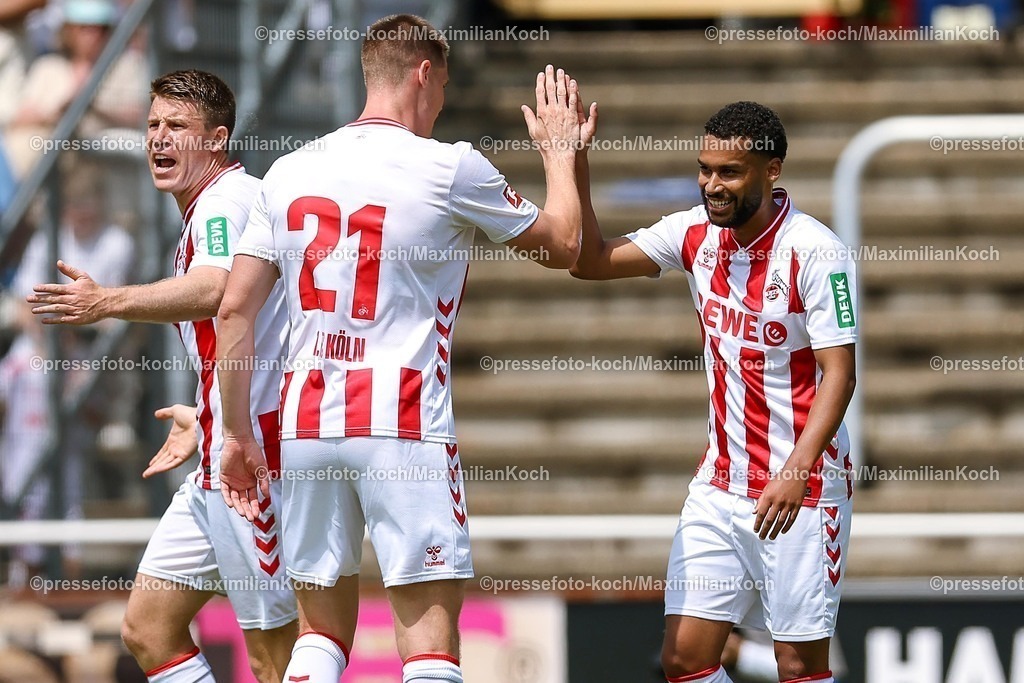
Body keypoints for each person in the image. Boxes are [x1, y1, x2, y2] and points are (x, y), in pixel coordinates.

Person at [216, 13, 582, 683]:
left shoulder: (289, 171)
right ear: (423, 73)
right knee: (430, 646)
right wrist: (560, 150)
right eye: (441, 84)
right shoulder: (449, 166)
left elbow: (234, 307)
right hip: (403, 422)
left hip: (307, 425)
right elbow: (564, 244)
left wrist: (236, 432)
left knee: (320, 637)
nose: (442, 101)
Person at [569, 100, 857, 683]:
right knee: (684, 658)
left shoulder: (816, 251)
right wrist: (573, 159)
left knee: (799, 665)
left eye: (728, 172)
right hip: (718, 487)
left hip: (800, 488)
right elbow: (589, 260)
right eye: (704, 169)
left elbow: (840, 373)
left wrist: (798, 468)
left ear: (771, 170)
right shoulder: (694, 234)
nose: (711, 185)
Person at [26, 69, 297, 683]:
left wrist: (108, 302)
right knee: (148, 630)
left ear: (217, 139)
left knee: (272, 656)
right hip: (217, 451)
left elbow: (217, 289)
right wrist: (203, 417)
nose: (158, 139)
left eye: (177, 126)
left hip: (249, 462)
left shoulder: (225, 200)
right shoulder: (209, 206)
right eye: (152, 125)